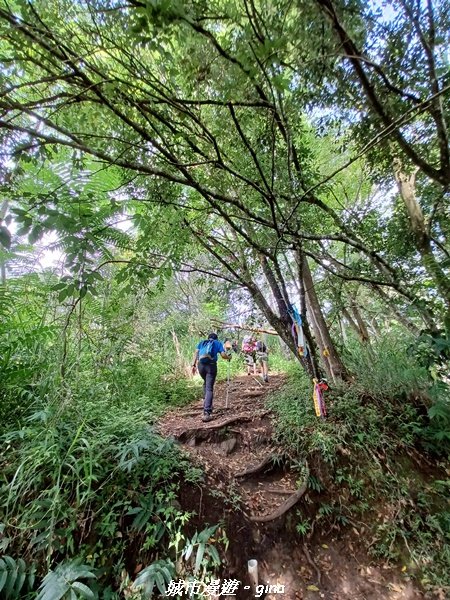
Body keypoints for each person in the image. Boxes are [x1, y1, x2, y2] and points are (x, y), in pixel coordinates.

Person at [192, 333, 231, 422]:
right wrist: (229, 357)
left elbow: (196, 353)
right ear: (216, 338)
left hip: (200, 366)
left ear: (208, 338)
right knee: (209, 388)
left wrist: (193, 365)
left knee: (206, 383)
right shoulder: (217, 343)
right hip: (211, 366)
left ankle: (206, 403)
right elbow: (223, 355)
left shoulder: (202, 342)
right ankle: (207, 412)